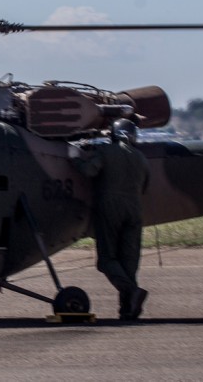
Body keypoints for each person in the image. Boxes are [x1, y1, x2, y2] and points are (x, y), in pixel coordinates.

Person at [73, 118, 151, 321]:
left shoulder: (106, 152)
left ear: (114, 135)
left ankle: (133, 293)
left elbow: (89, 170)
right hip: (135, 210)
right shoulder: (141, 158)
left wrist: (75, 157)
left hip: (109, 208)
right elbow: (145, 187)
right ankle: (129, 310)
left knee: (107, 260)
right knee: (129, 264)